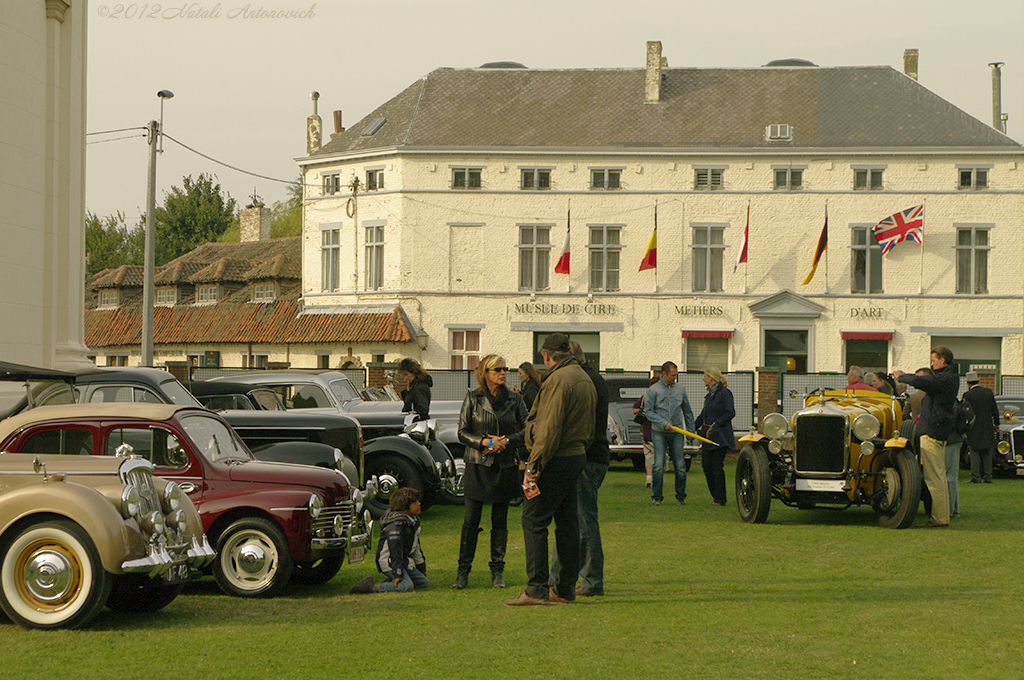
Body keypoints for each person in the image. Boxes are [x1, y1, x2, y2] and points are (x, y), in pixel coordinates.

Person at [505, 333, 596, 607]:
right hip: (576, 455)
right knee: (568, 523)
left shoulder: (557, 380)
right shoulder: (583, 377)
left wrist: (533, 466)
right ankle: (565, 589)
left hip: (554, 457)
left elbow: (549, 428)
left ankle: (536, 589)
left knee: (534, 520)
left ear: (546, 355)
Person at [453, 354, 528, 590]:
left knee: (500, 521)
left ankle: (498, 572)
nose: (503, 373)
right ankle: (463, 572)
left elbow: (529, 430)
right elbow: (462, 432)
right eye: (497, 369)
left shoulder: (515, 399)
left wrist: (507, 440)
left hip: (504, 465)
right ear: (485, 372)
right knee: (470, 521)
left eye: (505, 369)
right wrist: (485, 442)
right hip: (478, 465)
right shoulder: (472, 398)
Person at [549, 341, 609, 598]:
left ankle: (590, 579)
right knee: (574, 519)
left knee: (581, 520)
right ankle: (562, 577)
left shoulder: (582, 381)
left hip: (583, 456)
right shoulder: (595, 379)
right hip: (593, 455)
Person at [894, 346, 959, 528]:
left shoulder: (944, 379)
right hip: (937, 431)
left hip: (932, 432)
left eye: (933, 361)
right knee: (938, 476)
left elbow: (921, 381)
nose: (931, 364)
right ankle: (942, 516)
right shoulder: (948, 378)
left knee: (934, 478)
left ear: (942, 360)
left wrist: (901, 376)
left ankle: (939, 519)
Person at [350, 487, 428, 593]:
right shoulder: (396, 525)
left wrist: (421, 568)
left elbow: (416, 547)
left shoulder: (413, 522)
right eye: (415, 502)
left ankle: (391, 580)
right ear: (404, 507)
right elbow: (395, 551)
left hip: (402, 561)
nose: (419, 503)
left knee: (423, 582)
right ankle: (369, 587)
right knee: (407, 586)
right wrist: (398, 573)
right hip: (389, 561)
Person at [645, 361, 695, 505]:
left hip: (677, 432)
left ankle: (681, 496)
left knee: (680, 466)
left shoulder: (680, 389)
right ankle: (657, 497)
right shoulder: (653, 390)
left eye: (676, 375)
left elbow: (687, 411)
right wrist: (663, 423)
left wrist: (690, 432)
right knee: (659, 465)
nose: (675, 378)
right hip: (659, 432)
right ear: (664, 374)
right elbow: (648, 411)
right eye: (672, 375)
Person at [694, 367, 735, 507]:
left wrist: (717, 424)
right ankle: (715, 495)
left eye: (705, 376)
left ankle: (720, 498)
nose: (703, 378)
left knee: (716, 466)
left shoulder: (725, 393)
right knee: (706, 465)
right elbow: (703, 415)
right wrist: (691, 428)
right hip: (708, 436)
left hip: (721, 436)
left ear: (712, 378)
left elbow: (730, 412)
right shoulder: (708, 396)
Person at [962, 371, 999, 484]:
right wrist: (996, 424)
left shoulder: (967, 395)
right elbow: (994, 410)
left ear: (968, 383)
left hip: (973, 427)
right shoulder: (988, 392)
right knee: (987, 452)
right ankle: (988, 476)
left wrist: (964, 428)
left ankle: (976, 476)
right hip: (987, 426)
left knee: (974, 452)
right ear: (978, 381)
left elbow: (964, 413)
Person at [632, 376, 660, 488]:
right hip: (658, 430)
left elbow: (634, 410)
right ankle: (656, 477)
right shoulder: (663, 398)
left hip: (646, 430)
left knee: (648, 455)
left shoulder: (645, 397)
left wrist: (643, 411)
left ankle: (649, 477)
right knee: (659, 455)